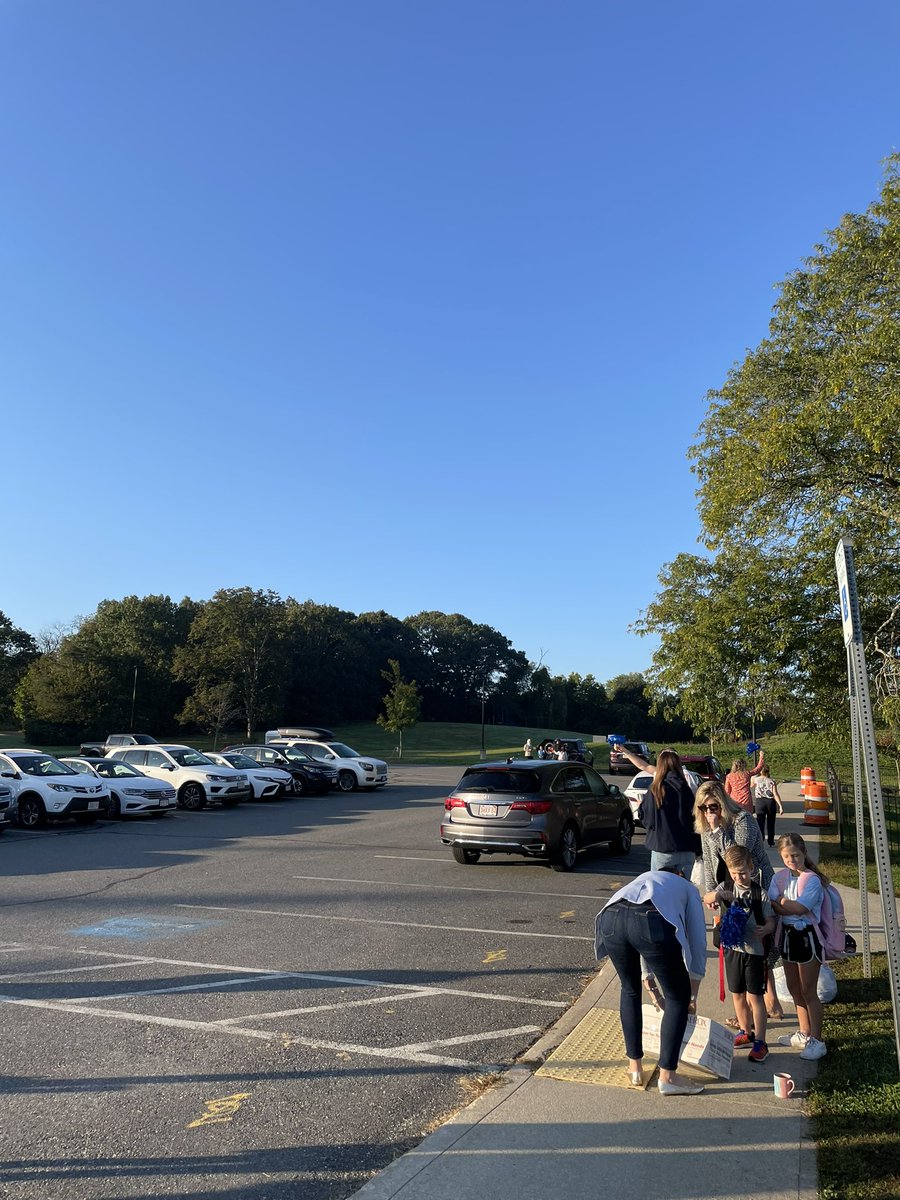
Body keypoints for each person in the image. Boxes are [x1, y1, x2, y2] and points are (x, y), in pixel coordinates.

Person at [595, 866, 707, 1095]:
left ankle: (634, 1067)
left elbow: (640, 940)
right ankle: (668, 1076)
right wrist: (691, 994)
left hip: (611, 916)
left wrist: (652, 989)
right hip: (649, 920)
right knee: (677, 996)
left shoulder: (644, 879)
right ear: (680, 875)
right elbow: (697, 942)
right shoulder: (688, 888)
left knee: (629, 989)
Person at [694, 781, 783, 1021]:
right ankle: (749, 1015)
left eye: (713, 807)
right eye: (703, 808)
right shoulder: (707, 828)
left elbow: (737, 858)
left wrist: (717, 832)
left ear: (723, 803)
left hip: (754, 888)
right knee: (737, 948)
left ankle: (768, 1002)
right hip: (728, 893)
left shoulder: (742, 820)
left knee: (760, 947)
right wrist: (712, 896)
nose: (709, 813)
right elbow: (712, 865)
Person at [704, 845, 775, 1063]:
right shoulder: (727, 887)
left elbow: (771, 919)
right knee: (737, 994)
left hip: (754, 952)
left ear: (751, 867)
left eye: (742, 872)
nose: (738, 877)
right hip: (732, 951)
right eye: (734, 873)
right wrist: (717, 895)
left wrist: (767, 928)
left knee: (755, 997)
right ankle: (745, 1031)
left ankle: (761, 1042)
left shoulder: (759, 893)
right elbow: (706, 899)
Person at [768, 832, 829, 1061]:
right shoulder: (780, 877)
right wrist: (786, 906)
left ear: (803, 852)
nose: (791, 860)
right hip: (787, 936)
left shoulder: (811, 879)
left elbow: (801, 908)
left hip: (806, 937)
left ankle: (817, 1039)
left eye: (795, 854)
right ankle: (804, 1032)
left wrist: (782, 903)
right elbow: (773, 905)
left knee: (808, 990)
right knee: (794, 987)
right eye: (786, 856)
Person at [617, 745, 700, 875]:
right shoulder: (687, 783)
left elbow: (648, 820)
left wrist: (641, 807)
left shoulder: (657, 789)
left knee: (660, 888)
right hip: (687, 846)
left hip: (664, 846)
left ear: (660, 764)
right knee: (682, 889)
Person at [752, 765, 784, 846]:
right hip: (770, 803)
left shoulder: (756, 780)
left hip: (760, 802)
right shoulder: (771, 781)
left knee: (760, 823)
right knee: (771, 823)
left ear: (760, 771)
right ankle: (771, 841)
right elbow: (775, 794)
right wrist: (780, 806)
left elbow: (750, 787)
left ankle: (761, 839)